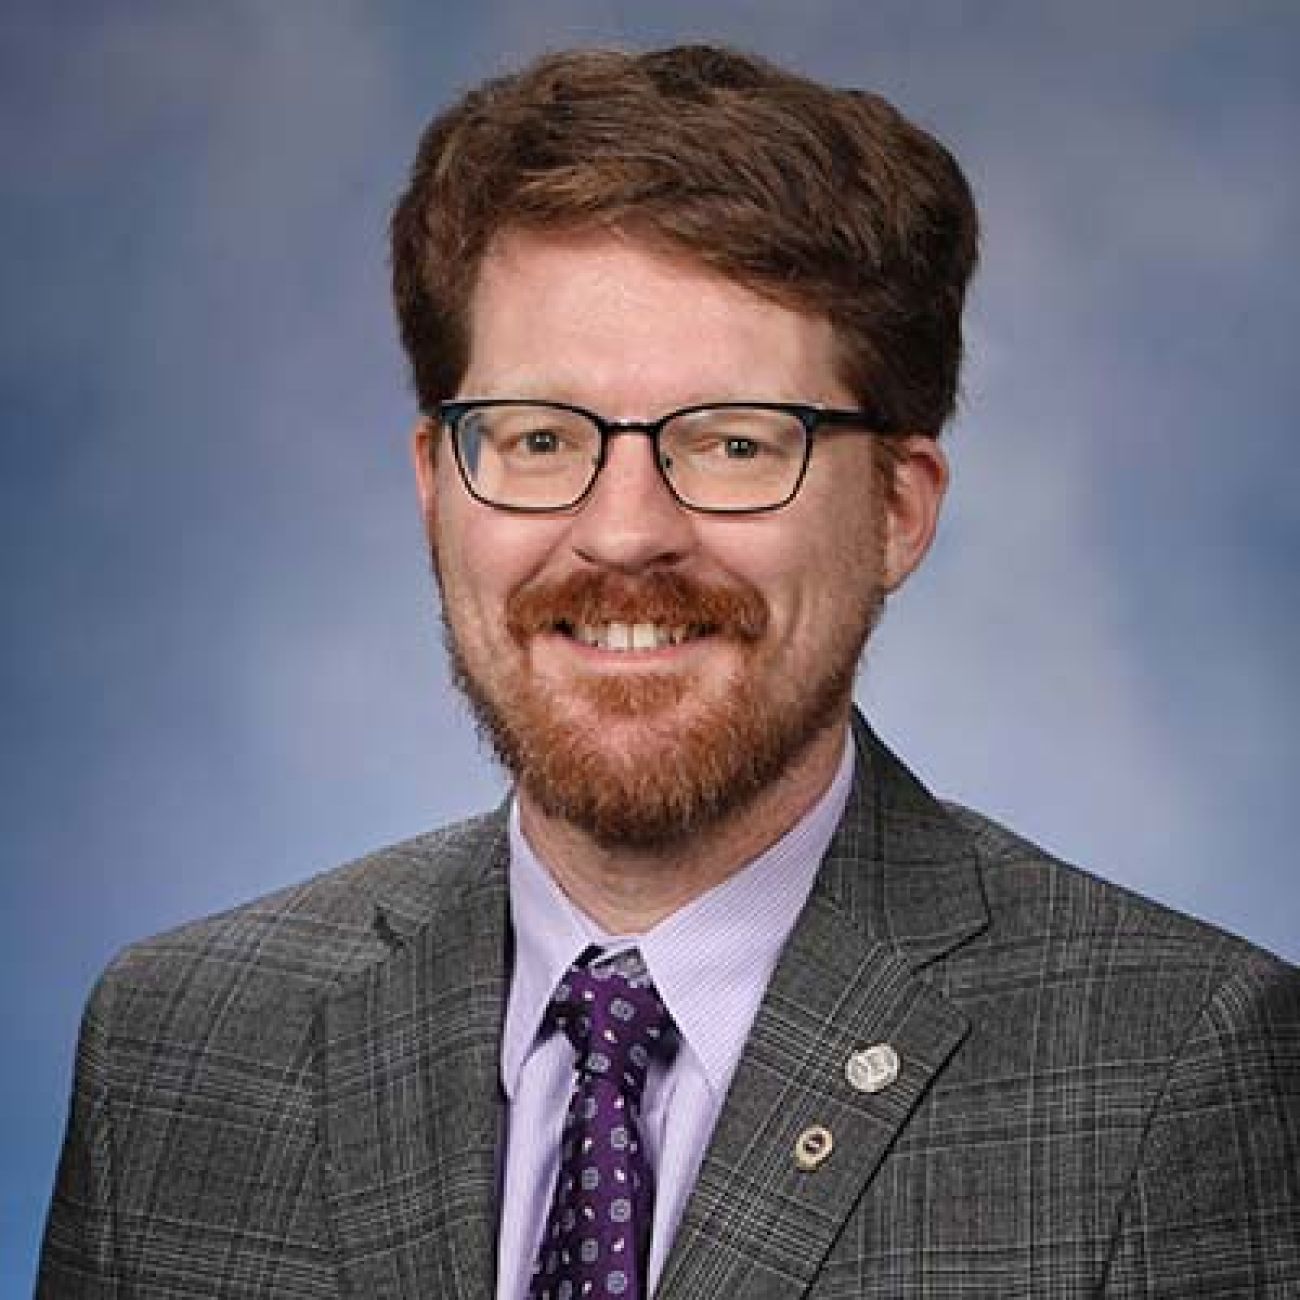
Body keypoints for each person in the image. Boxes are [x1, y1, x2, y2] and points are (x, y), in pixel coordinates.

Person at [39, 44, 1299, 1300]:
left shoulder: (1172, 1068)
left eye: (735, 442)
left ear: (897, 511)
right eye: (537, 438)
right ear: (434, 484)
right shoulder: (181, 1045)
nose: (624, 529)